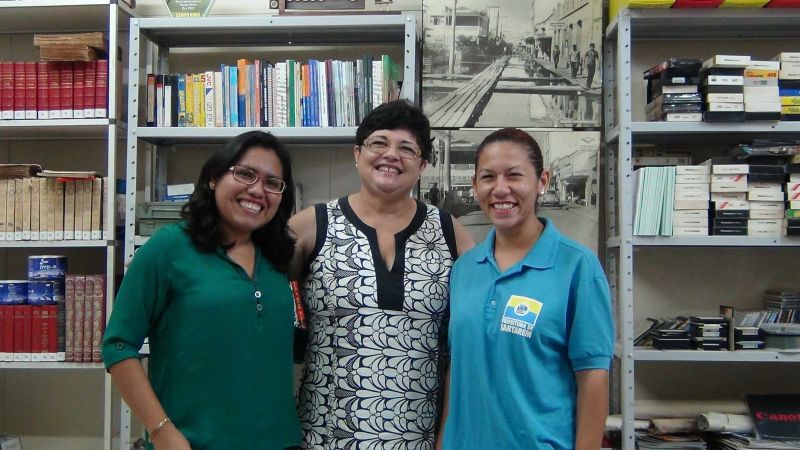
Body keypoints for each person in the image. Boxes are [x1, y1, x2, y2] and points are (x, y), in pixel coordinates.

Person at [289, 99, 474, 450]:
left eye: (406, 148)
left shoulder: (451, 233)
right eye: (379, 143)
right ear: (357, 153)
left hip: (420, 439)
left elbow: (473, 334)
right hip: (322, 438)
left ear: (421, 165)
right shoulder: (312, 225)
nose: (391, 154)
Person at [102, 131, 301, 450]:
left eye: (272, 183)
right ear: (213, 178)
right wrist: (163, 433)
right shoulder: (168, 248)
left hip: (280, 442)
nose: (257, 190)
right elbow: (118, 345)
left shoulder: (279, 258)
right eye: (245, 173)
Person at [437, 128, 614, 450]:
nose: (500, 189)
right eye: (488, 177)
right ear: (476, 186)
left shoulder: (577, 267)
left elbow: (592, 377)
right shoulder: (464, 269)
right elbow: (458, 367)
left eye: (514, 175)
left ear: (542, 181)